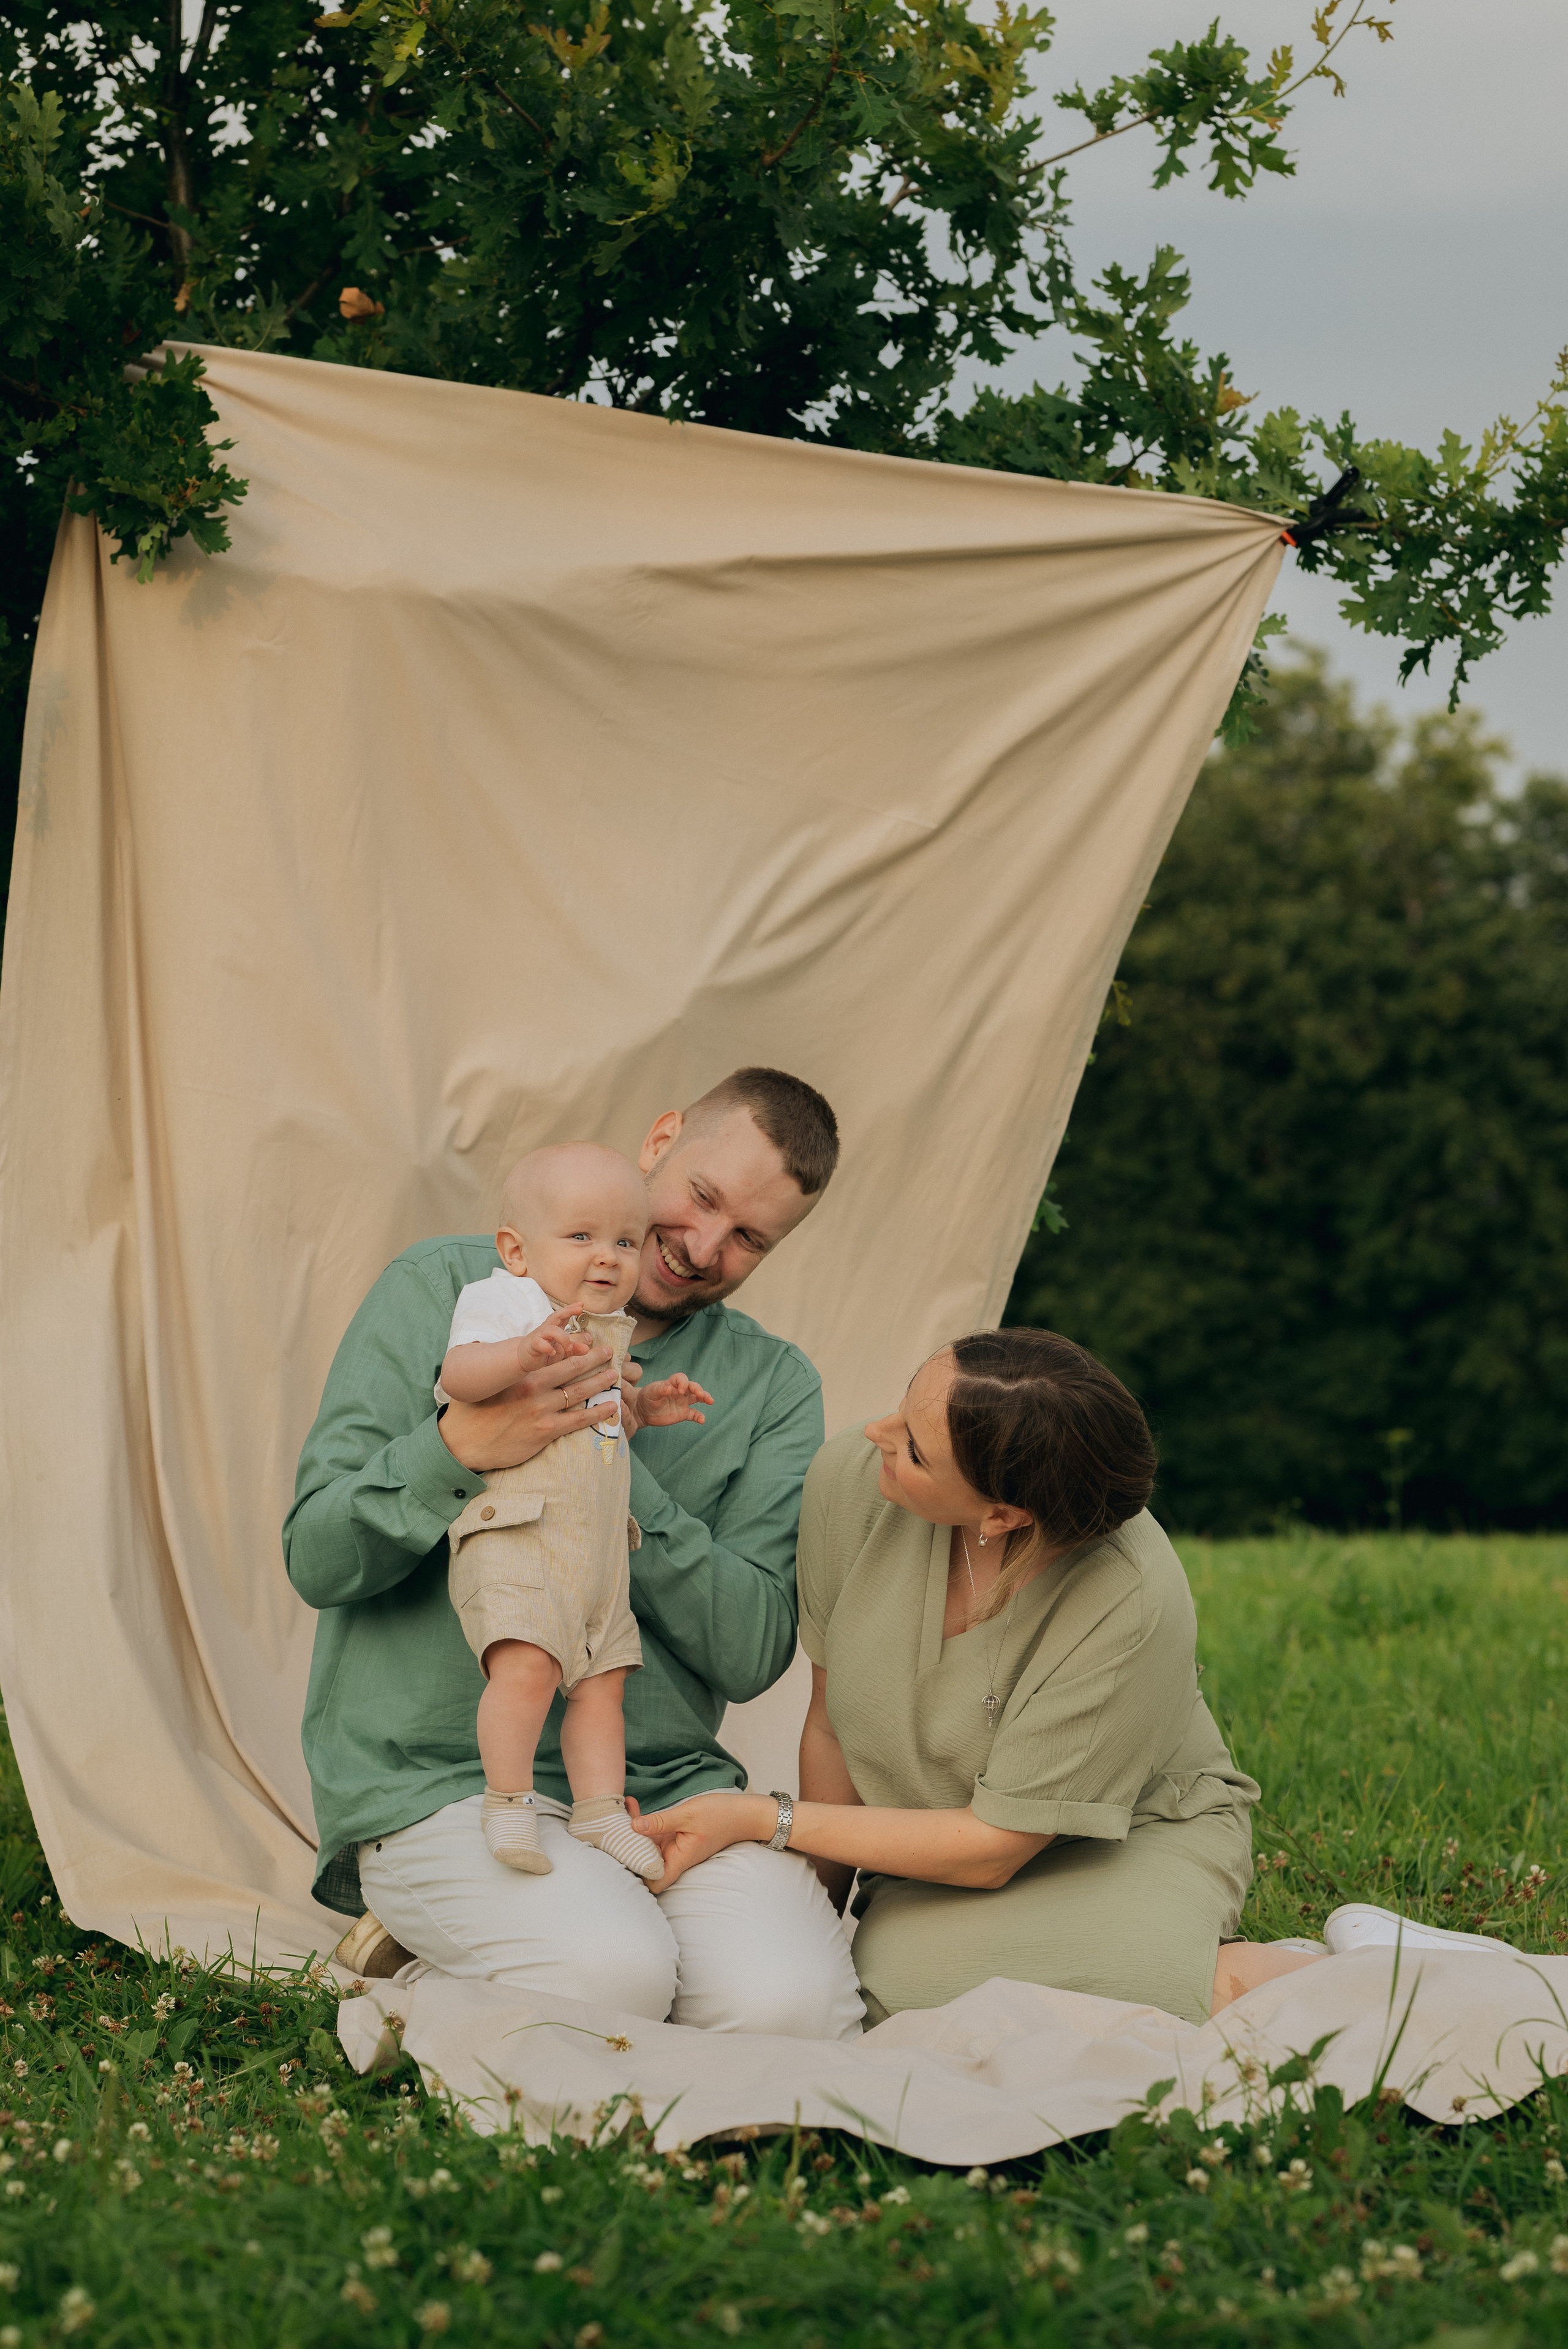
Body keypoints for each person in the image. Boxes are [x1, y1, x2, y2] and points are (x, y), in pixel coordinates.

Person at [284, 1068, 865, 2038]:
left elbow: (754, 1646)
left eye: (751, 1237)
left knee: (792, 2006)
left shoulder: (772, 1385)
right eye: (705, 1197)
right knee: (612, 1979)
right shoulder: (444, 1290)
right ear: (661, 1138)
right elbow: (318, 1555)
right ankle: (428, 1960)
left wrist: (612, 1462)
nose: (704, 1246)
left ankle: (468, 1955)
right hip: (444, 1778)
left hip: (661, 1791)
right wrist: (458, 1448)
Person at [643, 1328, 1325, 2027]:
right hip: (927, 1844)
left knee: (929, 1994)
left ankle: (1318, 1969)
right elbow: (829, 1720)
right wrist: (814, 1912)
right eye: (901, 1410)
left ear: (1001, 1515)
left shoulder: (1131, 1595)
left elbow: (995, 1850)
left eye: (913, 1447)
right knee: (880, 1985)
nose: (877, 1433)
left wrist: (766, 1818)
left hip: (1118, 1836)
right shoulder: (850, 1480)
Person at [434, 1141, 712, 1882]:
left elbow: (608, 1415)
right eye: (582, 1236)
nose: (608, 1257)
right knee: (526, 1666)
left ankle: (595, 1811)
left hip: (596, 1552)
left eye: (627, 1240)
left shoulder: (608, 1328)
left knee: (603, 1682)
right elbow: (459, 1376)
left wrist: (647, 1405)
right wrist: (521, 1354)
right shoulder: (507, 1302)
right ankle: (508, 1798)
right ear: (517, 1250)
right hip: (521, 1536)